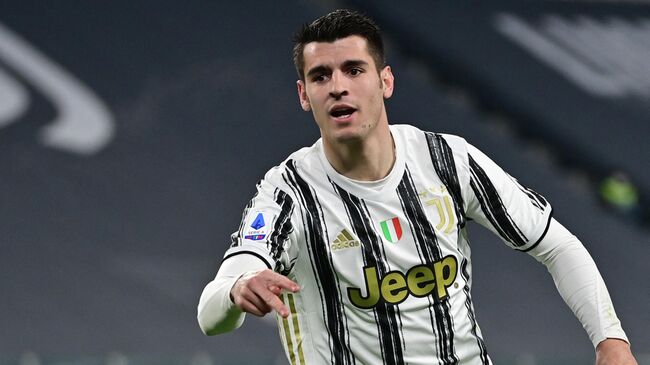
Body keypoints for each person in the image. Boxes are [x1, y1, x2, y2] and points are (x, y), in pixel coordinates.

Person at [197, 9, 638, 365]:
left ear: (385, 81)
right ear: (303, 94)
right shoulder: (289, 192)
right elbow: (211, 314)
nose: (338, 87)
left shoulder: (447, 159)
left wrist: (611, 341)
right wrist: (237, 292)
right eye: (321, 76)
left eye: (354, 70)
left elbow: (556, 245)